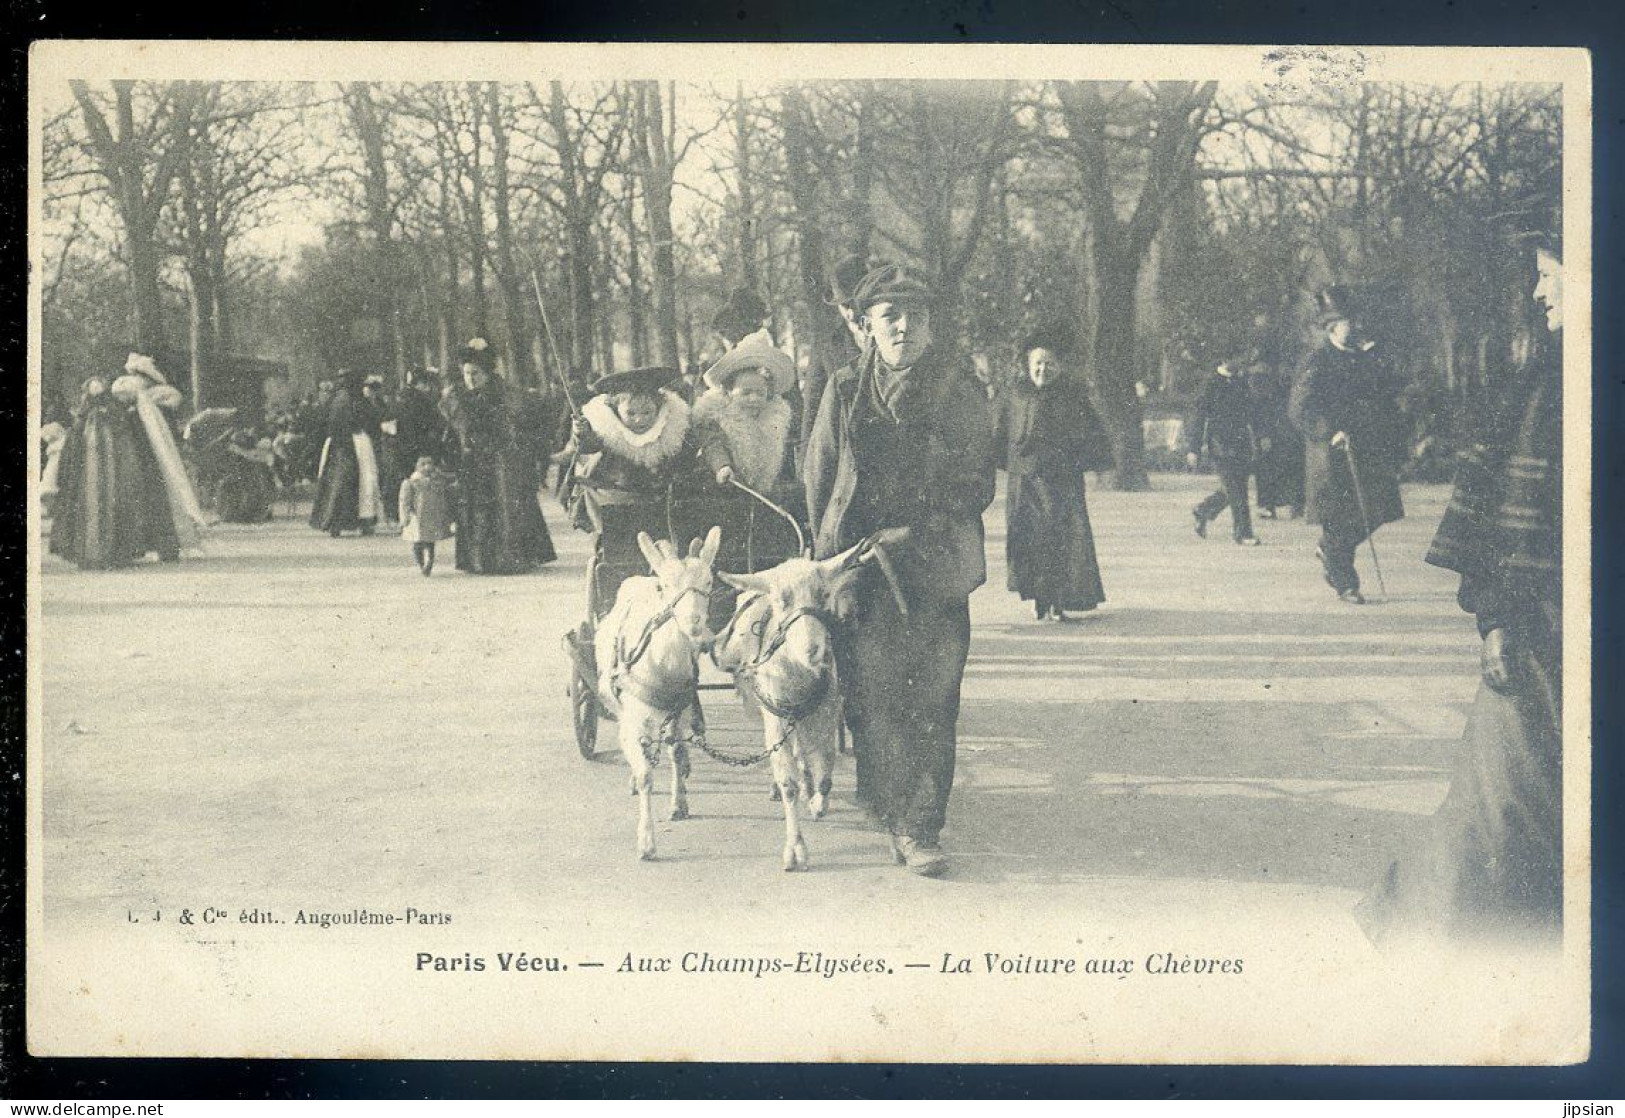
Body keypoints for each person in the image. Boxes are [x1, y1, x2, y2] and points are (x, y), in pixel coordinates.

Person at [1357, 226, 1564, 946]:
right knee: (1503, 805)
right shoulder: (1540, 385)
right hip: (1544, 625)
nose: (1539, 292)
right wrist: (1496, 616)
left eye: (1553, 276)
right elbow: (1507, 514)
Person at [804, 264, 997, 877]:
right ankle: (887, 800)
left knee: (936, 699)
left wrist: (918, 526)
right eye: (890, 318)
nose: (904, 329)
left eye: (915, 317)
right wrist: (829, 556)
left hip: (935, 566)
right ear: (867, 326)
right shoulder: (843, 389)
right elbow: (820, 473)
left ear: (932, 327)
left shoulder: (960, 394)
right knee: (872, 697)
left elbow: (977, 481)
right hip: (861, 569)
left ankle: (920, 829)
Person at [1288, 286, 1408, 604]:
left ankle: (1329, 550)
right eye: (1345, 322)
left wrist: (1375, 357)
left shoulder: (1362, 356)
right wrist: (1329, 432)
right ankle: (1346, 583)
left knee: (1377, 510)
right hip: (1333, 453)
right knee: (1340, 518)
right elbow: (1300, 407)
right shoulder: (1317, 359)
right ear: (1331, 327)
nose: (1352, 326)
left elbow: (1386, 391)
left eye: (1351, 320)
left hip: (1367, 449)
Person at [50, 352, 208, 569]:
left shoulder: (151, 397)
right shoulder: (141, 398)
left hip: (141, 455)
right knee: (147, 500)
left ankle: (159, 545)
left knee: (151, 500)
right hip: (137, 454)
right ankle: (154, 545)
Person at [996, 328, 1113, 620]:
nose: (1042, 369)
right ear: (1028, 365)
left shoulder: (1072, 396)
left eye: (1049, 364)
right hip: (1024, 484)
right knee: (1030, 541)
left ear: (1059, 366)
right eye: (1037, 363)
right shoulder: (1016, 395)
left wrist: (1096, 464)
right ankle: (1039, 600)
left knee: (1061, 541)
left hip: (1061, 483)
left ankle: (1058, 601)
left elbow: (1094, 434)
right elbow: (998, 432)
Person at [439, 338, 557, 575]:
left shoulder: (503, 393)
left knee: (506, 505)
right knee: (476, 507)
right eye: (467, 373)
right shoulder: (457, 397)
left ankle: (512, 557)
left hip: (501, 459)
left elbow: (517, 422)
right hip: (472, 460)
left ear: (487, 373)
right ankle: (478, 559)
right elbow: (455, 429)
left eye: (476, 374)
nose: (471, 379)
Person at [694, 328, 804, 571]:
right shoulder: (719, 417)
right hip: (725, 493)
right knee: (729, 549)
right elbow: (713, 444)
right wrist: (722, 466)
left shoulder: (775, 419)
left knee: (767, 547)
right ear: (729, 392)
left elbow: (784, 459)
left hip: (764, 498)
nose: (754, 399)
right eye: (746, 393)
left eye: (760, 393)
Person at [1187, 343, 1264, 546]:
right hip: (1219, 442)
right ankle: (1243, 532)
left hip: (1241, 442)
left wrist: (1261, 435)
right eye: (1237, 358)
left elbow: (1252, 412)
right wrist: (1194, 448)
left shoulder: (1241, 382)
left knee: (1234, 486)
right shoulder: (1210, 383)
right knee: (1236, 488)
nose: (1241, 362)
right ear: (1225, 360)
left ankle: (1203, 510)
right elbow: (1198, 417)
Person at [309, 369, 387, 537]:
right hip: (357, 442)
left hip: (335, 445)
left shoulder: (335, 399)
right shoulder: (358, 400)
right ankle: (364, 521)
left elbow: (322, 423)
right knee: (365, 481)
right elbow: (373, 420)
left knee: (337, 482)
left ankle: (334, 522)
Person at [1249, 353, 1305, 520]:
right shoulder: (1266, 386)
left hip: (1292, 433)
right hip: (1272, 434)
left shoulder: (1294, 386)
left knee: (1295, 468)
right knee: (1266, 469)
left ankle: (1297, 505)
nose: (1287, 372)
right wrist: (1263, 434)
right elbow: (1260, 412)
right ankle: (1266, 505)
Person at [398, 455, 456, 576]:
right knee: (417, 543)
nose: (427, 467)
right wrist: (405, 517)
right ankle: (421, 564)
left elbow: (445, 496)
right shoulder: (411, 482)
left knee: (430, 543)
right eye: (423, 464)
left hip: (431, 516)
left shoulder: (438, 480)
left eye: (430, 463)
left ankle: (429, 564)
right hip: (415, 518)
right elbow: (405, 501)